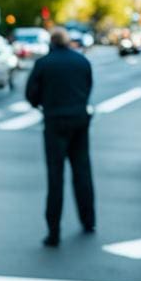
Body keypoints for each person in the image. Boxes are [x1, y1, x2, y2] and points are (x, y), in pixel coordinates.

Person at [25, 26, 95, 246]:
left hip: (54, 123)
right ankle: (89, 220)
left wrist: (43, 104)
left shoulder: (43, 64)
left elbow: (31, 94)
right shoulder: (82, 61)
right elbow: (88, 86)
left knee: (55, 178)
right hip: (79, 120)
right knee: (82, 172)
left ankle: (53, 232)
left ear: (51, 43)